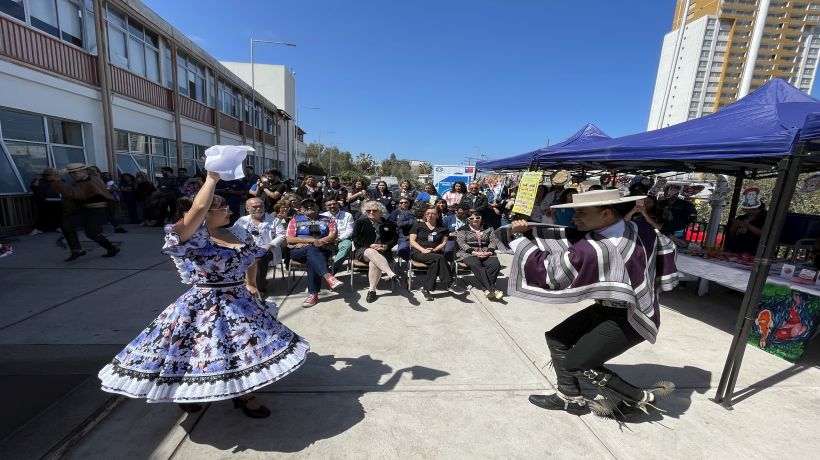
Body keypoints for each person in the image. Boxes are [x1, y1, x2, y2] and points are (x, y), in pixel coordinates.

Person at [98, 171, 308, 418]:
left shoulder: (237, 233)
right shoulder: (192, 238)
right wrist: (212, 178)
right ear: (205, 214)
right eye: (222, 208)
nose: (230, 211)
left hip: (239, 301)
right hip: (204, 306)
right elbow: (197, 207)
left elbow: (251, 257)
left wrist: (251, 283)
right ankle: (189, 393)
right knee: (197, 354)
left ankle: (243, 395)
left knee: (240, 352)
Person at [498, 189, 679, 419]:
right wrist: (654, 279)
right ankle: (570, 397)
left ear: (606, 214)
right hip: (612, 307)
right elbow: (668, 246)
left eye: (581, 212)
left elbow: (550, 272)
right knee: (557, 338)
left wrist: (517, 239)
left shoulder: (593, 249)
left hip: (631, 317)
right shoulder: (640, 229)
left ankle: (638, 397)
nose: (575, 218)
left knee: (577, 363)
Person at [46, 164, 119, 261]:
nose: (72, 174)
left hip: (98, 210)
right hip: (86, 210)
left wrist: (57, 181)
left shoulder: (88, 181)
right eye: (71, 173)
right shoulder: (83, 180)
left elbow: (72, 194)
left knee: (92, 233)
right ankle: (76, 250)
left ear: (84, 171)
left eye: (75, 172)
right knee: (67, 225)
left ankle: (112, 248)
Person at [286, 198, 344, 307]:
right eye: (306, 206)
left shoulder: (329, 220)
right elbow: (289, 239)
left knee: (312, 256)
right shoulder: (295, 220)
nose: (309, 207)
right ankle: (328, 277)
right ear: (301, 209)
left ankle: (313, 294)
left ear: (317, 207)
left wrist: (318, 242)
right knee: (311, 250)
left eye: (312, 205)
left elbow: (332, 236)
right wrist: (312, 241)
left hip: (322, 250)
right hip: (299, 252)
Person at [409, 206, 466, 301]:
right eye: (428, 213)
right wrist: (423, 250)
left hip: (435, 253)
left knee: (436, 263)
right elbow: (412, 241)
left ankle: (425, 289)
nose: (429, 215)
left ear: (438, 215)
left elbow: (443, 243)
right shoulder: (418, 226)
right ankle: (450, 284)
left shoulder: (443, 229)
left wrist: (434, 249)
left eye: (433, 213)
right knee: (439, 258)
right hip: (419, 253)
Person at [232, 198, 285, 297]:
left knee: (258, 260)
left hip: (268, 249)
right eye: (254, 207)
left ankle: (259, 288)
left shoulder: (274, 221)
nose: (258, 208)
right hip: (247, 248)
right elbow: (234, 234)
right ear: (248, 208)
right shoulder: (242, 220)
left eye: (261, 206)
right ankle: (242, 285)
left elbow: (281, 235)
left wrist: (268, 245)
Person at [351, 200, 403, 302]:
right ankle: (391, 274)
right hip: (363, 250)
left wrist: (386, 246)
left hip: (383, 252)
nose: (371, 212)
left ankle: (372, 290)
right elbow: (355, 238)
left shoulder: (389, 223)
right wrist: (369, 245)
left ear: (380, 211)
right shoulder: (360, 223)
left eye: (374, 210)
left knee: (374, 264)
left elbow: (394, 238)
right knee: (371, 251)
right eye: (368, 210)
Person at [455, 210, 502, 300]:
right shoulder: (463, 229)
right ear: (468, 219)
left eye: (477, 217)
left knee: (494, 264)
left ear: (481, 218)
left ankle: (487, 289)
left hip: (486, 251)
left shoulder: (489, 228)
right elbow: (462, 243)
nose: (475, 220)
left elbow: (493, 241)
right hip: (467, 252)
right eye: (471, 218)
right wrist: (475, 253)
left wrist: (489, 251)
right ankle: (492, 289)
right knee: (476, 264)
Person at [724, 187, 767, 255]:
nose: (750, 211)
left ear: (760, 210)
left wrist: (748, 226)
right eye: (748, 208)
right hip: (735, 248)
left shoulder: (764, 219)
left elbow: (764, 234)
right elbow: (731, 233)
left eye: (753, 209)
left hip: (753, 250)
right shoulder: (741, 217)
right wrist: (734, 226)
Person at [322, 198, 354, 271]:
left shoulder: (347, 215)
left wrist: (339, 239)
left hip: (342, 239)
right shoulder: (322, 216)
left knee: (347, 245)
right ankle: (323, 267)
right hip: (327, 240)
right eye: (329, 205)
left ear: (338, 204)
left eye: (334, 204)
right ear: (326, 207)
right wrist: (328, 239)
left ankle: (333, 269)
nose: (332, 206)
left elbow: (350, 230)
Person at [29, 168, 63, 234]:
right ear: (48, 175)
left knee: (57, 214)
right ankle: (39, 228)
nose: (53, 176)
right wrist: (38, 178)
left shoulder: (57, 180)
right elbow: (34, 186)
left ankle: (57, 227)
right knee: (42, 215)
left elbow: (62, 186)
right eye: (52, 174)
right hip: (43, 201)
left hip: (56, 200)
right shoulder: (40, 180)